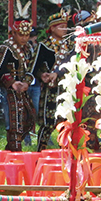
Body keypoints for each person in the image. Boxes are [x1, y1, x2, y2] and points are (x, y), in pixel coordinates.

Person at [0, 18, 36, 151]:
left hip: (23, 90)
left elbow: (32, 68)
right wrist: (12, 83)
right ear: (14, 33)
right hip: (9, 92)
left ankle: (10, 150)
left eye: (27, 35)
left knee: (29, 118)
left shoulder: (28, 48)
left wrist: (27, 83)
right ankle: (14, 152)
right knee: (14, 124)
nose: (24, 38)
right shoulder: (5, 48)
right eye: (21, 35)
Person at [33, 10, 72, 150]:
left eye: (66, 26)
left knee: (67, 123)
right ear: (53, 28)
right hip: (50, 91)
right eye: (61, 26)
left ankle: (66, 156)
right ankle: (40, 155)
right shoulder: (43, 46)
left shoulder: (71, 45)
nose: (65, 29)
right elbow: (35, 66)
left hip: (67, 90)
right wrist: (42, 75)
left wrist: (59, 74)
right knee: (47, 123)